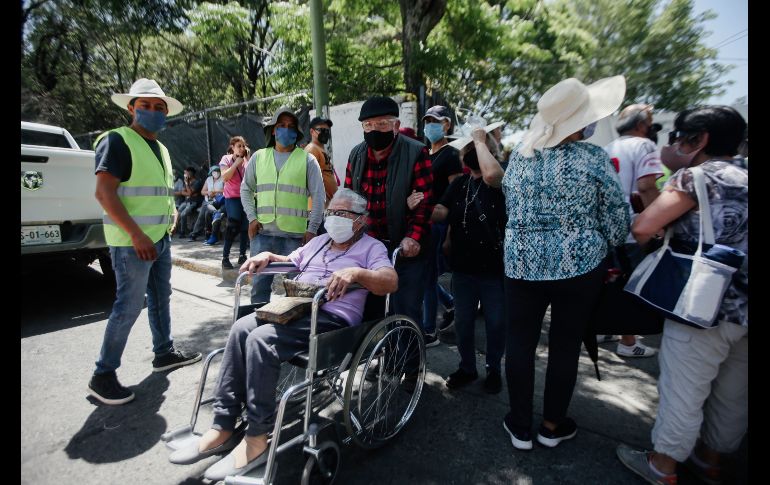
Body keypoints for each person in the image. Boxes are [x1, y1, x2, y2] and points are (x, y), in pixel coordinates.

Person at [168, 189, 398, 481]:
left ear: (360, 221)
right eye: (331, 213)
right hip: (295, 308)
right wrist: (267, 256)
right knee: (241, 328)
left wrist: (356, 273)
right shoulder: (319, 242)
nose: (333, 219)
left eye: (342, 214)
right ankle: (223, 425)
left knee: (261, 340)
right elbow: (291, 260)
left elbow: (390, 281)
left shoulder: (371, 247)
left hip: (331, 318)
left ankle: (256, 438)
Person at [616, 106, 748, 485]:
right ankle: (710, 460)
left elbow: (643, 226)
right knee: (732, 393)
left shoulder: (696, 178)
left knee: (685, 388)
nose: (671, 143)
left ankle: (662, 466)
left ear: (700, 140)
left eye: (677, 136)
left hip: (702, 303)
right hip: (743, 308)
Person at [497, 76, 630, 450]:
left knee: (519, 343)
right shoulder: (594, 158)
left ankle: (520, 426)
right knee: (565, 345)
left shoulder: (520, 158)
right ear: (578, 123)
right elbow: (618, 220)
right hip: (580, 267)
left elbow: (512, 206)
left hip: (521, 264)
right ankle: (553, 425)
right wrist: (603, 241)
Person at [88, 78, 202, 405]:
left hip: (159, 239)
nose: (152, 112)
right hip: (132, 243)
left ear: (166, 113)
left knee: (160, 297)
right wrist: (136, 234)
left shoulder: (161, 149)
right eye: (145, 106)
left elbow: (157, 193)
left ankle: (164, 352)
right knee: (128, 306)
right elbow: (104, 193)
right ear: (131, 108)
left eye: (159, 107)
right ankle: (103, 374)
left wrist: (172, 216)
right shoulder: (117, 141)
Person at [345, 95, 434, 346]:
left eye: (382, 124)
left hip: (405, 248)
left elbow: (424, 202)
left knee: (405, 308)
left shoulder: (416, 152)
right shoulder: (357, 155)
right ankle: (383, 358)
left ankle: (410, 368)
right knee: (372, 306)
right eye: (368, 125)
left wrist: (412, 237)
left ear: (395, 126)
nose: (375, 130)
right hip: (370, 246)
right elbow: (351, 201)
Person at [431, 125, 506, 393]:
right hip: (463, 268)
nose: (472, 153)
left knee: (496, 323)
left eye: (477, 149)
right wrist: (423, 207)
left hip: (493, 269)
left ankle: (494, 369)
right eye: (469, 149)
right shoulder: (461, 183)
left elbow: (491, 174)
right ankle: (467, 368)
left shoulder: (499, 178)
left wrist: (480, 142)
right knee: (463, 322)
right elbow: (443, 210)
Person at [241, 107, 326, 303]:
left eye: (291, 127)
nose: (286, 130)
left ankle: (291, 332)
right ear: (273, 130)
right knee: (258, 291)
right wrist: (252, 218)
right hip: (263, 235)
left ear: (297, 132)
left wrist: (312, 229)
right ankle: (258, 329)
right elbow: (245, 189)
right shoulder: (259, 157)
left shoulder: (307, 159)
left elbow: (319, 196)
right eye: (281, 126)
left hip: (295, 238)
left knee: (297, 292)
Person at [602, 103, 665, 357]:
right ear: (641, 126)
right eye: (649, 124)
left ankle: (607, 328)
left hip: (608, 226)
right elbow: (647, 185)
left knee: (612, 280)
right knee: (631, 283)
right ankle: (628, 342)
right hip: (633, 227)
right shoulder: (645, 146)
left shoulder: (607, 148)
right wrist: (658, 222)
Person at [409, 105, 462, 343]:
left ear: (446, 125)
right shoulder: (425, 153)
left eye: (435, 121)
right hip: (423, 220)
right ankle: (451, 304)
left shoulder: (450, 154)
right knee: (426, 276)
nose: (430, 125)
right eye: (427, 120)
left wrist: (451, 230)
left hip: (439, 223)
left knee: (428, 278)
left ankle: (429, 331)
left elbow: (457, 194)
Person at [218, 136, 250, 268]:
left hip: (245, 197)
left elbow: (251, 177)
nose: (241, 148)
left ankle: (242, 255)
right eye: (239, 146)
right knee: (233, 226)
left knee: (244, 227)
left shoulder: (247, 160)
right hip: (232, 198)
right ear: (232, 147)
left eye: (243, 146)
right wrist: (236, 163)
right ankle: (225, 258)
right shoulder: (226, 159)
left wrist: (247, 159)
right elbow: (225, 177)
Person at [304, 116, 339, 207]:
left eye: (327, 130)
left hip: (325, 206)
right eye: (321, 130)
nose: (325, 133)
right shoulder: (312, 149)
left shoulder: (319, 149)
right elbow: (307, 179)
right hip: (318, 207)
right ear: (312, 131)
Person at [188, 165, 224, 242]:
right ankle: (206, 234)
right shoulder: (209, 179)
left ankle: (196, 233)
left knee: (204, 212)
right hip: (208, 201)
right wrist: (208, 192)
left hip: (218, 201)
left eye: (218, 171)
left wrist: (215, 192)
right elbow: (202, 192)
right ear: (211, 172)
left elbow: (226, 191)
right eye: (214, 171)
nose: (216, 173)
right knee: (205, 212)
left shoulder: (223, 179)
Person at [176, 166, 204, 237]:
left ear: (191, 173)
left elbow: (189, 193)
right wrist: (189, 192)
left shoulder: (197, 182)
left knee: (183, 214)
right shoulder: (187, 182)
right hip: (187, 201)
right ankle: (174, 229)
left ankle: (182, 232)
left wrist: (187, 186)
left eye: (186, 173)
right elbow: (184, 192)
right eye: (184, 173)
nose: (185, 175)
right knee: (178, 211)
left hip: (194, 202)